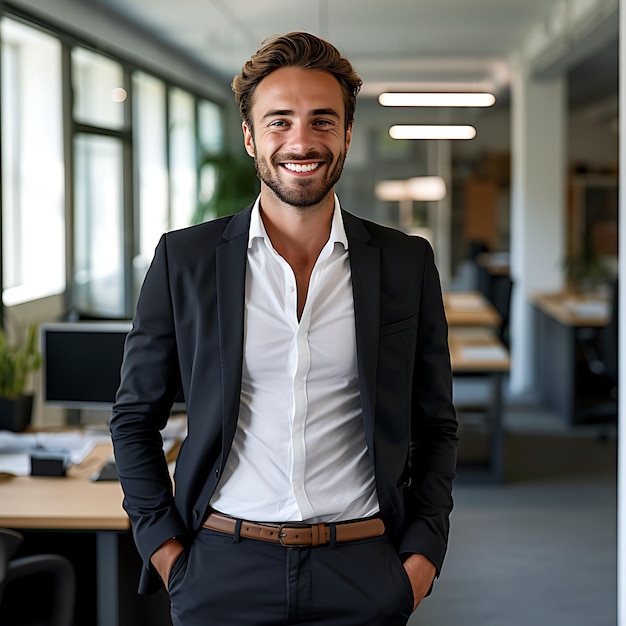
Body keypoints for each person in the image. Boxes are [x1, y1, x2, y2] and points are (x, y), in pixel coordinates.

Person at [110, 31, 458, 626]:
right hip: (221, 569)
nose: (302, 140)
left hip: (363, 569)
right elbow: (134, 418)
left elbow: (436, 425)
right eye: (279, 121)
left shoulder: (406, 263)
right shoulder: (184, 261)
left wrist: (421, 555)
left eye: (323, 121)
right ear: (250, 137)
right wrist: (166, 552)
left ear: (347, 134)